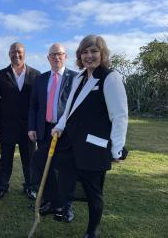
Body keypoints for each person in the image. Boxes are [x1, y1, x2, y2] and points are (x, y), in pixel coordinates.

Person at [52, 35, 128, 238]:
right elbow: (69, 109)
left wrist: (117, 149)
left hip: (95, 147)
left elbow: (120, 116)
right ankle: (64, 206)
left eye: (93, 51)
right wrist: (59, 126)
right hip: (72, 142)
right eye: (84, 52)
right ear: (79, 56)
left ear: (102, 54)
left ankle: (92, 231)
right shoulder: (79, 77)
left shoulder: (110, 78)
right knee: (56, 167)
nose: (89, 56)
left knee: (93, 191)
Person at [28, 43, 77, 222]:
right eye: (53, 55)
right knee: (43, 165)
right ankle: (50, 200)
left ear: (66, 56)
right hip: (44, 129)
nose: (56, 57)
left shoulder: (76, 78)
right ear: (48, 58)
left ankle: (67, 206)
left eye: (60, 54)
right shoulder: (41, 79)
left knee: (66, 170)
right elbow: (33, 106)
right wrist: (32, 127)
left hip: (66, 132)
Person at [0, 42, 41, 200]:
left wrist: (37, 126)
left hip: (29, 127)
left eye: (19, 52)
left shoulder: (36, 75)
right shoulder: (0, 75)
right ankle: (2, 187)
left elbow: (39, 103)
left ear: (25, 53)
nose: (16, 55)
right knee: (5, 160)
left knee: (30, 161)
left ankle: (30, 187)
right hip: (7, 126)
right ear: (9, 54)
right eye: (13, 52)